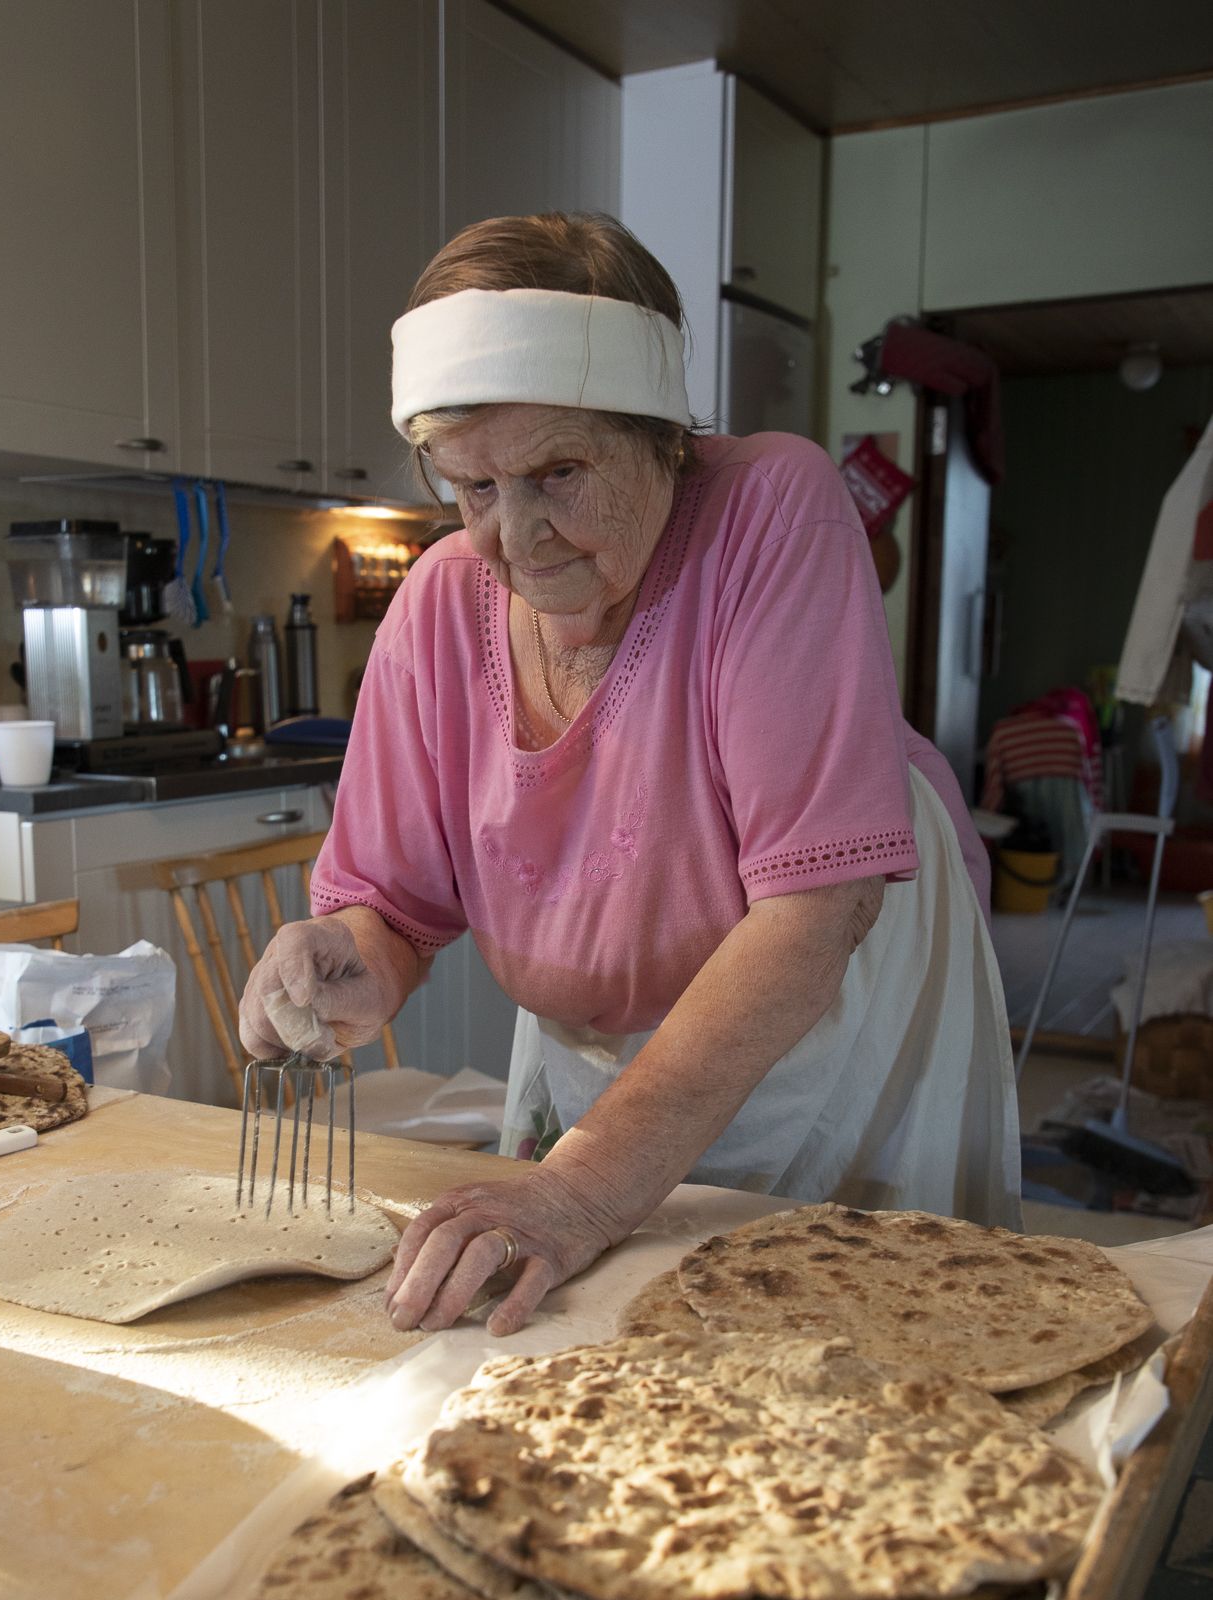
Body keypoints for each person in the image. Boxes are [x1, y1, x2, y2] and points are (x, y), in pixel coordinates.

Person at [240, 212, 1019, 1339]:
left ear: (662, 438)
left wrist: (587, 1184)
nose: (515, 538)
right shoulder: (439, 605)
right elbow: (395, 912)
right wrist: (352, 958)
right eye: (471, 487)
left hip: (826, 1010)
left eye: (558, 470)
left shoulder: (769, 507)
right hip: (604, 1061)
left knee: (850, 1341)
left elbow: (814, 909)